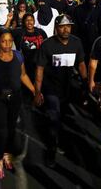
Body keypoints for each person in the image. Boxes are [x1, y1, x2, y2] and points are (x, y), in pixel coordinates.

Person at [0, 29, 35, 179]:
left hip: (15, 99)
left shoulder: (18, 56)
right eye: (4, 41)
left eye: (10, 41)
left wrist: (35, 90)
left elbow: (23, 75)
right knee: (1, 132)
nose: (8, 44)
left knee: (11, 130)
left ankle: (6, 154)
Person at [34, 14, 87, 167]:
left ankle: (59, 140)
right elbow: (39, 69)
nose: (66, 29)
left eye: (68, 26)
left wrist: (85, 82)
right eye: (62, 27)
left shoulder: (76, 43)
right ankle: (51, 150)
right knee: (54, 118)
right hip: (51, 88)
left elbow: (81, 63)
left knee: (62, 118)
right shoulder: (47, 45)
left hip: (68, 88)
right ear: (56, 28)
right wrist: (37, 91)